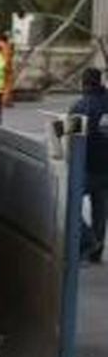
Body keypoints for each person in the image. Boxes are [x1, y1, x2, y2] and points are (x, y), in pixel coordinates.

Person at [71, 67, 108, 263]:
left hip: (88, 167)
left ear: (84, 84)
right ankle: (96, 252)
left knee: (70, 203)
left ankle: (88, 240)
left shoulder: (81, 107)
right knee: (100, 208)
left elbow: (69, 139)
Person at [0, 31, 16, 108]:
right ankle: (4, 102)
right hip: (5, 67)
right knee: (8, 85)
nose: (10, 38)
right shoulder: (5, 46)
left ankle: (2, 101)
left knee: (0, 85)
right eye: (9, 37)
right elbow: (8, 56)